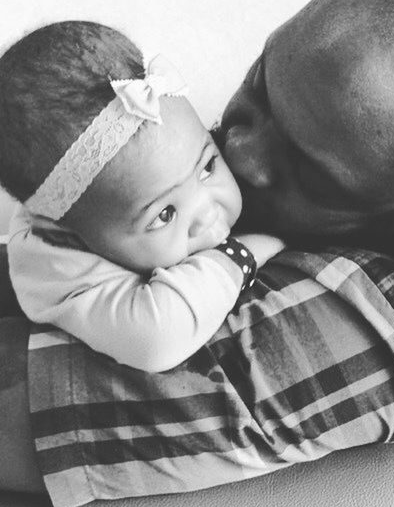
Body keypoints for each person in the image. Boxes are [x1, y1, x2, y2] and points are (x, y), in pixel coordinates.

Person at [0, 0, 394, 507]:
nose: (238, 151)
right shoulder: (374, 161)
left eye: (308, 168)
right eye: (262, 86)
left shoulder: (390, 329)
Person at [0, 21, 285, 373]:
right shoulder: (59, 265)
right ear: (77, 236)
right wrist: (247, 250)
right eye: (165, 214)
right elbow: (158, 338)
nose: (208, 211)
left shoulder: (140, 188)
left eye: (207, 166)